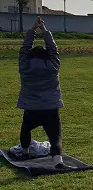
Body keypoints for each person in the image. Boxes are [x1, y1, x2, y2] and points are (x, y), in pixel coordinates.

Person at [17, 17, 67, 169]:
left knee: (25, 129)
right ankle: (58, 161)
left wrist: (32, 30)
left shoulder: (24, 65)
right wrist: (44, 30)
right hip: (50, 108)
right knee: (55, 137)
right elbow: (53, 49)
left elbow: (24, 48)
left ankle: (25, 151)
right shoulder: (53, 65)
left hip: (31, 107)